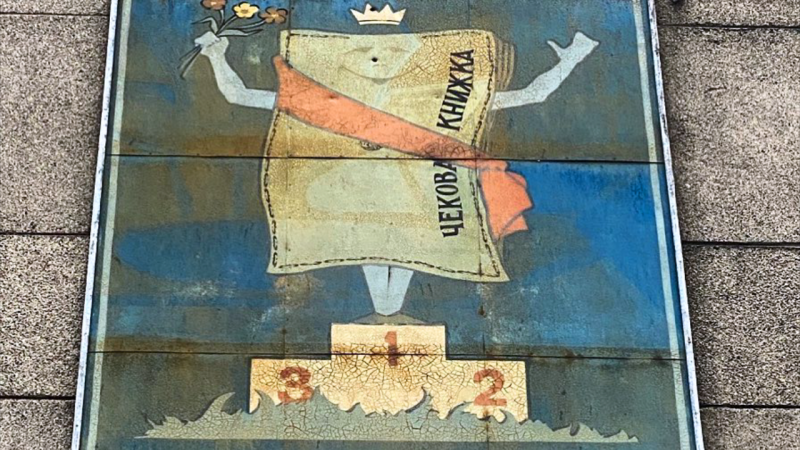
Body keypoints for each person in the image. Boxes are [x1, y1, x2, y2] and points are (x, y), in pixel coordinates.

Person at [192, 26, 598, 323]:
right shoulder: (330, 106)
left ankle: (389, 321)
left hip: (417, 205)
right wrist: (216, 56)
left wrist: (571, 58)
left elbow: (532, 95)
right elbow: (239, 95)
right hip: (364, 204)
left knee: (392, 288)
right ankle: (386, 321)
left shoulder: (439, 103)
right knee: (382, 289)